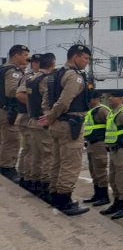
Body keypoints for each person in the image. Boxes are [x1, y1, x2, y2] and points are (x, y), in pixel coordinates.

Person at [39, 44, 90, 216]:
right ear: (75, 57)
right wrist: (52, 116)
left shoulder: (55, 75)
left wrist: (49, 116)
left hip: (57, 125)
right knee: (71, 164)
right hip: (70, 125)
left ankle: (55, 194)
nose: (87, 62)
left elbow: (45, 101)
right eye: (85, 58)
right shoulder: (74, 76)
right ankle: (65, 200)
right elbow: (64, 101)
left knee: (57, 162)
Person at [99, 90, 123, 220]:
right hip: (113, 148)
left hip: (122, 148)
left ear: (121, 98)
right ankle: (116, 202)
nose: (110, 99)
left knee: (121, 176)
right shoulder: (112, 112)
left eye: (113, 97)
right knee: (113, 176)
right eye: (109, 96)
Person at [24, 53, 56, 201]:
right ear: (52, 64)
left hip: (32, 121)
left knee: (36, 155)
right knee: (48, 155)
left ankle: (34, 183)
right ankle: (46, 187)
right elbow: (47, 102)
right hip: (42, 122)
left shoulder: (32, 79)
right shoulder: (45, 80)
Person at [0, 44, 30, 181]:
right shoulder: (13, 70)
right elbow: (12, 91)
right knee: (12, 140)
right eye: (24, 55)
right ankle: (7, 167)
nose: (27, 58)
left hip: (4, 109)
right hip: (8, 110)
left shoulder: (4, 68)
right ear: (16, 55)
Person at [14, 53, 41, 190]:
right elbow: (20, 94)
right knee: (31, 149)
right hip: (26, 116)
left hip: (26, 117)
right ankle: (28, 177)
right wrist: (36, 106)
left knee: (28, 149)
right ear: (35, 64)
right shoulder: (30, 77)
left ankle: (25, 176)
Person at [81, 91, 112, 206]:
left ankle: (104, 196)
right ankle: (97, 194)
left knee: (100, 170)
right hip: (90, 144)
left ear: (95, 99)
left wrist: (108, 142)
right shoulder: (90, 112)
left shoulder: (102, 110)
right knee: (93, 170)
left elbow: (110, 126)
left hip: (99, 144)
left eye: (89, 100)